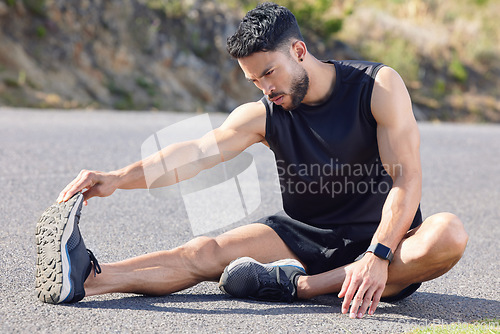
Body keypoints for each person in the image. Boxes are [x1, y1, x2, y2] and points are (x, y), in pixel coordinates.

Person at [35, 2, 468, 319]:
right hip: (307, 236)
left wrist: (377, 253)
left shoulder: (377, 86)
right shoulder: (264, 113)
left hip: (389, 243)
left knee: (447, 234)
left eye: (269, 73)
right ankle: (88, 278)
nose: (264, 87)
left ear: (298, 51)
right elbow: (196, 153)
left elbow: (406, 176)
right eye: (254, 79)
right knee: (202, 252)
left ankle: (300, 287)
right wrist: (115, 178)